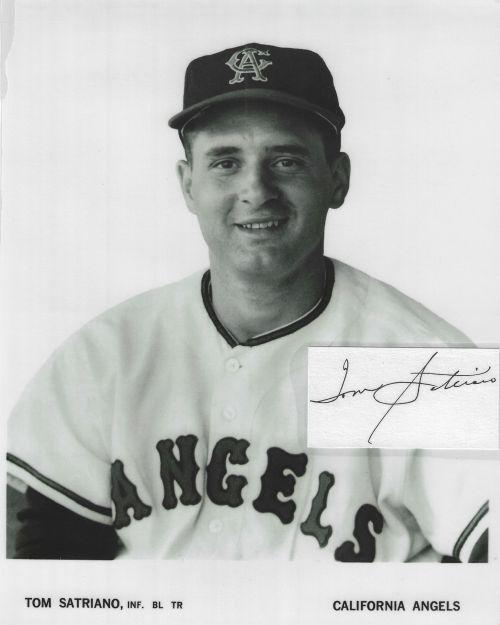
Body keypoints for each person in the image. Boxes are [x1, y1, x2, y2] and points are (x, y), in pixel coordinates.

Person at [7, 43, 488, 561]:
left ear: (337, 180)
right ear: (188, 185)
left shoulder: (416, 365)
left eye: (286, 161)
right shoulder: (110, 354)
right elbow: (44, 556)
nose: (256, 190)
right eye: (226, 162)